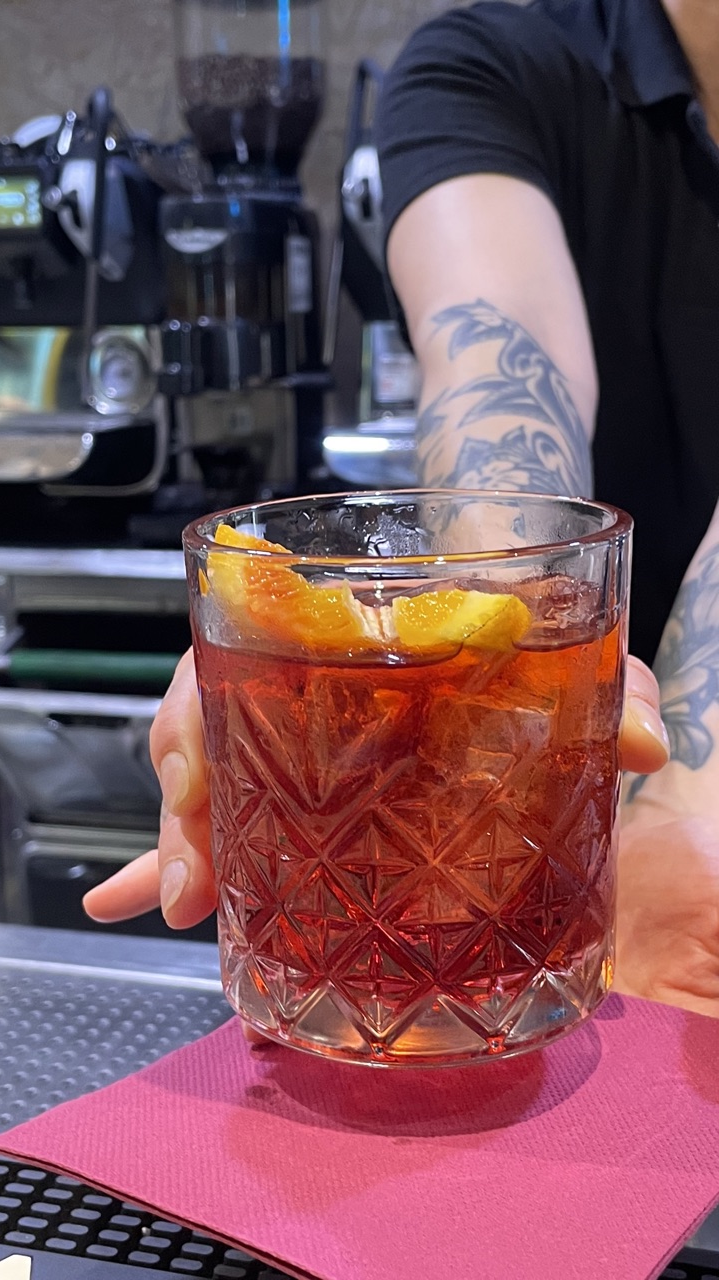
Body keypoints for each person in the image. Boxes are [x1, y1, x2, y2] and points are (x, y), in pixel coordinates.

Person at [85, 0, 719, 1018]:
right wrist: (449, 691)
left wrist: (687, 793)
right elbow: (500, 389)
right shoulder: (494, 66)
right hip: (598, 871)